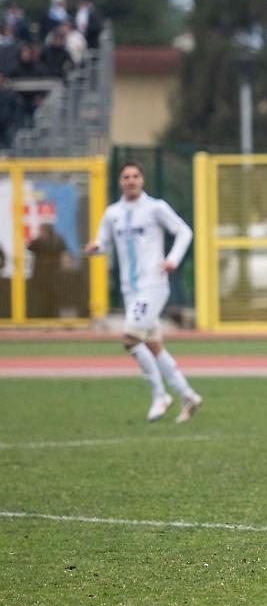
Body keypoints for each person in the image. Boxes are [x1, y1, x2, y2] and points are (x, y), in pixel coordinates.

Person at [84, 162, 202, 423]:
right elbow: (103, 242)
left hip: (153, 284)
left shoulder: (155, 208)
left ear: (143, 180)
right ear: (119, 182)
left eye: (135, 176)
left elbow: (184, 231)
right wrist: (96, 247)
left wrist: (172, 259)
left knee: (129, 339)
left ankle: (160, 395)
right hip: (130, 288)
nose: (131, 180)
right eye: (126, 176)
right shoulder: (113, 213)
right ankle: (187, 394)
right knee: (153, 345)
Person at [27, 222, 68, 318]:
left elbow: (62, 250)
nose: (40, 232)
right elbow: (30, 248)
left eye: (42, 230)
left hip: (50, 274)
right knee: (42, 297)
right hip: (44, 275)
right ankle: (44, 316)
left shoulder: (56, 240)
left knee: (50, 297)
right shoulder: (40, 240)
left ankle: (49, 316)